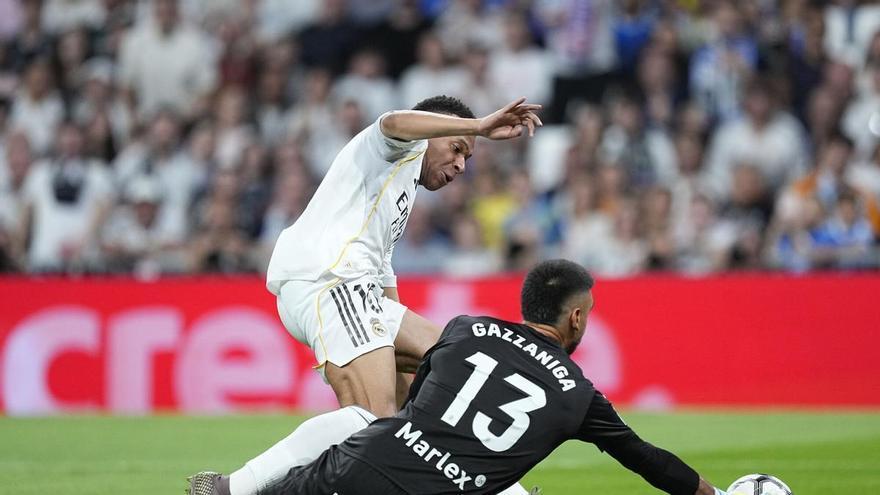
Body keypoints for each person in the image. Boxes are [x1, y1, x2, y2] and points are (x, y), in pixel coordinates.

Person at [188, 95, 543, 495]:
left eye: (467, 158)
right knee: (377, 425)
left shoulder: (401, 188)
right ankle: (230, 489)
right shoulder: (394, 147)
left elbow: (382, 267)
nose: (461, 165)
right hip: (329, 280)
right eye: (457, 149)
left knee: (451, 365)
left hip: (361, 291)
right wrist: (477, 126)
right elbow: (392, 121)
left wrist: (397, 352)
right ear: (435, 130)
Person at [192, 259, 727, 495]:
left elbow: (417, 406)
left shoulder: (467, 329)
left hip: (359, 469)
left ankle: (226, 489)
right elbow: (648, 460)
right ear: (577, 318)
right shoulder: (578, 395)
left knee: (354, 419)